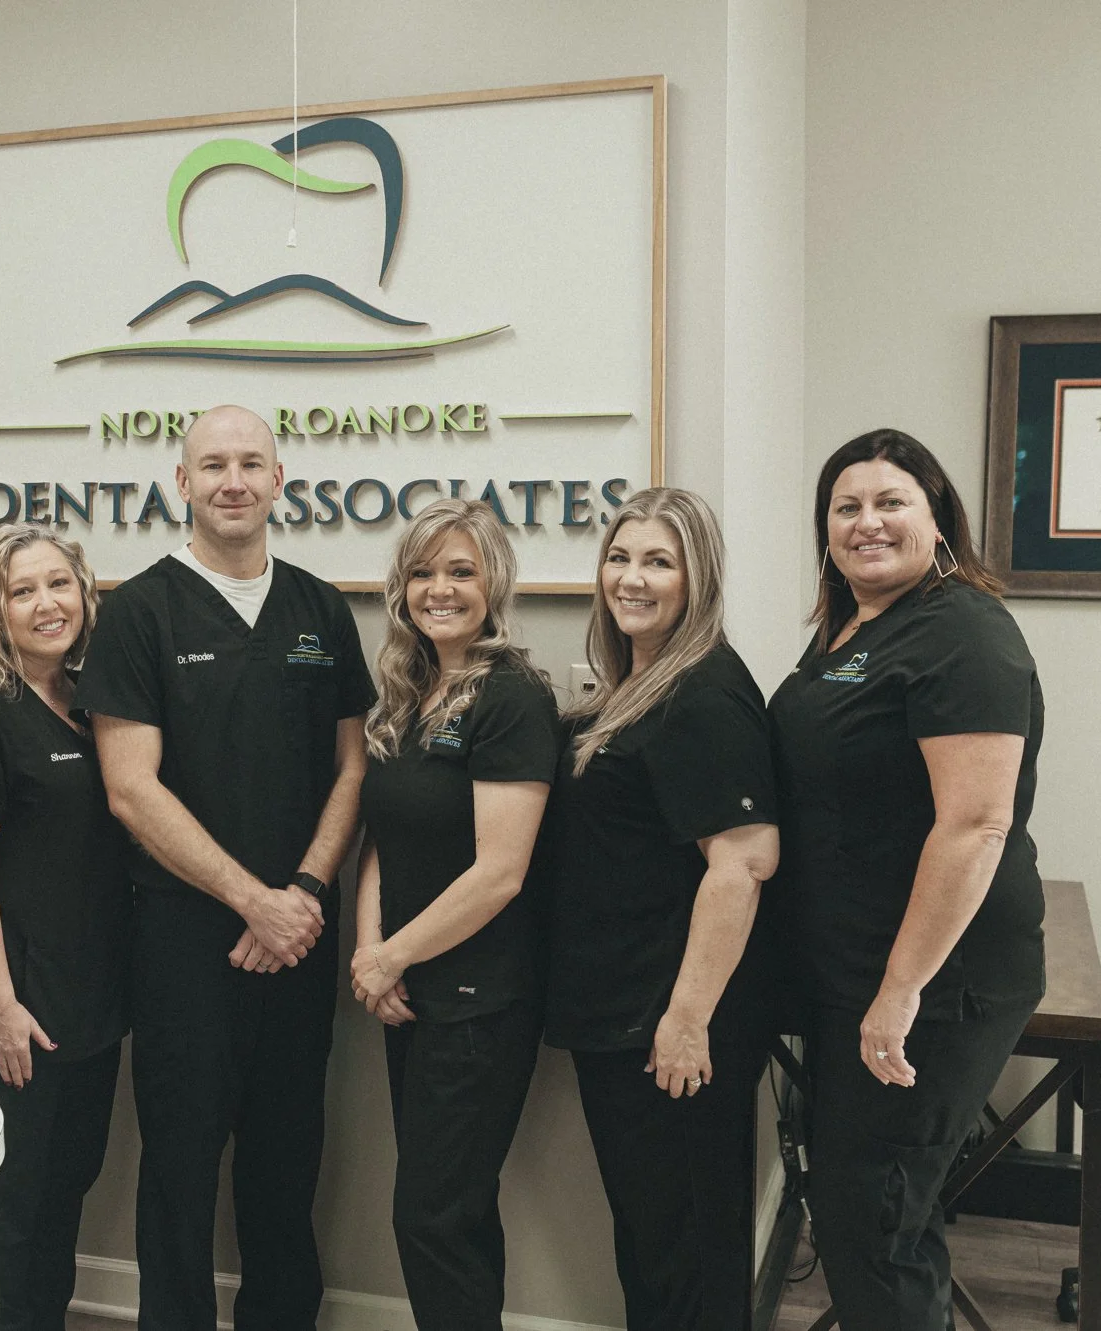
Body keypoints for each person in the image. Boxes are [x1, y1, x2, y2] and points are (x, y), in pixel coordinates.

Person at [76, 405, 375, 1331]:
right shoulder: (137, 611)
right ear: (183, 483)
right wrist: (255, 900)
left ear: (281, 481)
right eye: (213, 465)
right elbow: (131, 788)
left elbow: (352, 766)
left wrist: (306, 896)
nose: (233, 480)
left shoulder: (321, 608)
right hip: (182, 943)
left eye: (252, 463)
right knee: (179, 1173)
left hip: (302, 938)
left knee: (287, 1170)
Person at [767, 429, 1044, 1331]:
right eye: (846, 506)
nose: (866, 521)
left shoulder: (962, 632)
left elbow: (975, 825)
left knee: (874, 1222)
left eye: (891, 502)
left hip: (932, 981)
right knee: (871, 1216)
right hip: (854, 966)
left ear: (939, 520)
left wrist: (899, 990)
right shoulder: (852, 626)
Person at [542, 487, 779, 1331]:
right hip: (625, 1014)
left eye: (658, 561)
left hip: (670, 1027)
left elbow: (745, 861)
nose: (631, 578)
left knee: (687, 1250)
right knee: (652, 1241)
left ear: (697, 577)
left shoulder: (704, 693)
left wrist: (685, 1020)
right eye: (619, 556)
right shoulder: (638, 684)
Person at [351, 499, 556, 1331]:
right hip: (406, 991)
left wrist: (389, 956)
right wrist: (371, 955)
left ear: (494, 583)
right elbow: (381, 842)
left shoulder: (511, 698)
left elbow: (500, 873)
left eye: (461, 571)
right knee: (453, 1213)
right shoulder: (407, 692)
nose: (440, 589)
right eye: (424, 572)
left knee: (434, 1216)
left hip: (478, 1001)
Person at [0, 525, 130, 1331]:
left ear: (85, 595)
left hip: (88, 1002)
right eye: (23, 590)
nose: (46, 604)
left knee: (67, 1185)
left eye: (59, 585)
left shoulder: (94, 708)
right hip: (15, 1003)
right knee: (14, 1202)